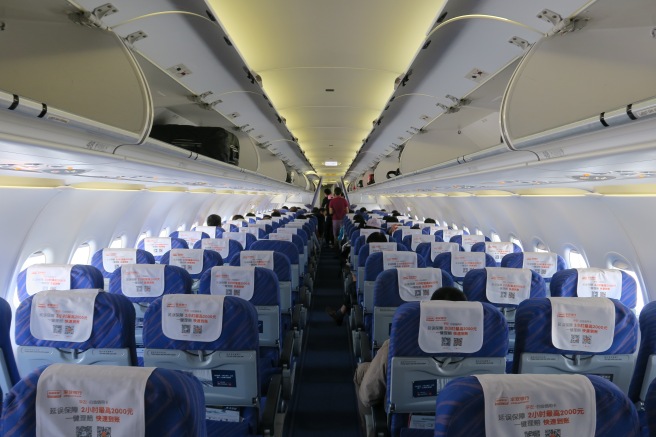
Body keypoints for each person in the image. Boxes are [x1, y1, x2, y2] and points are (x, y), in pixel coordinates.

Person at [353, 286, 466, 418]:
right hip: (464, 424)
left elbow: (368, 395)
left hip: (404, 427)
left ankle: (371, 428)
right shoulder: (490, 348)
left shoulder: (398, 344)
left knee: (362, 373)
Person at [326, 232, 388, 325]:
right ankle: (340, 314)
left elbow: (358, 280)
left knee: (353, 286)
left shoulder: (367, 257)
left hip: (370, 295)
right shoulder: (397, 258)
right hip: (388, 295)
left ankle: (340, 313)